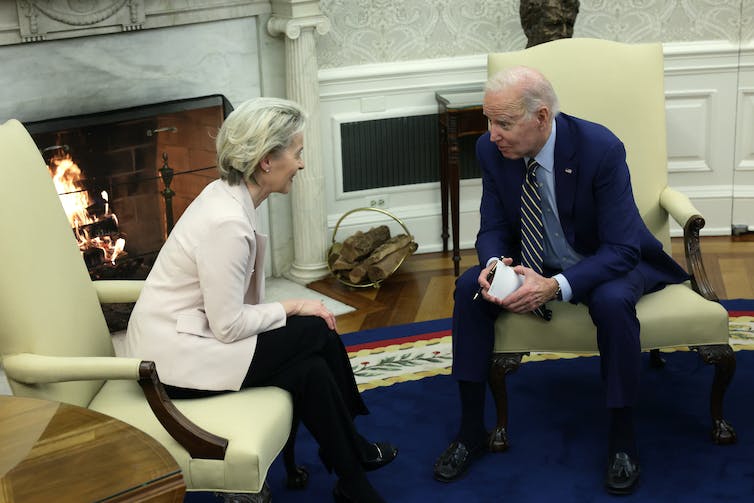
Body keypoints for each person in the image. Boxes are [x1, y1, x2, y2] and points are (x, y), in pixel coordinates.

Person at [123, 97, 396, 503]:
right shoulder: (228, 223)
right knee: (313, 331)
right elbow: (229, 325)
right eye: (297, 153)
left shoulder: (226, 193)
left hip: (189, 338)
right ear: (267, 160)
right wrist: (293, 305)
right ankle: (353, 445)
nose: (301, 164)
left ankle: (352, 478)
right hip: (172, 363)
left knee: (310, 369)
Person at [432, 66, 689, 495]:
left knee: (610, 302)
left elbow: (623, 249)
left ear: (542, 116)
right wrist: (496, 266)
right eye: (489, 120)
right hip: (535, 260)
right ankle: (470, 430)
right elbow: (493, 224)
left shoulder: (599, 148)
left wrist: (555, 286)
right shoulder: (490, 149)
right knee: (468, 289)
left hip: (605, 261)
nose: (492, 133)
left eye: (504, 123)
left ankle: (623, 440)